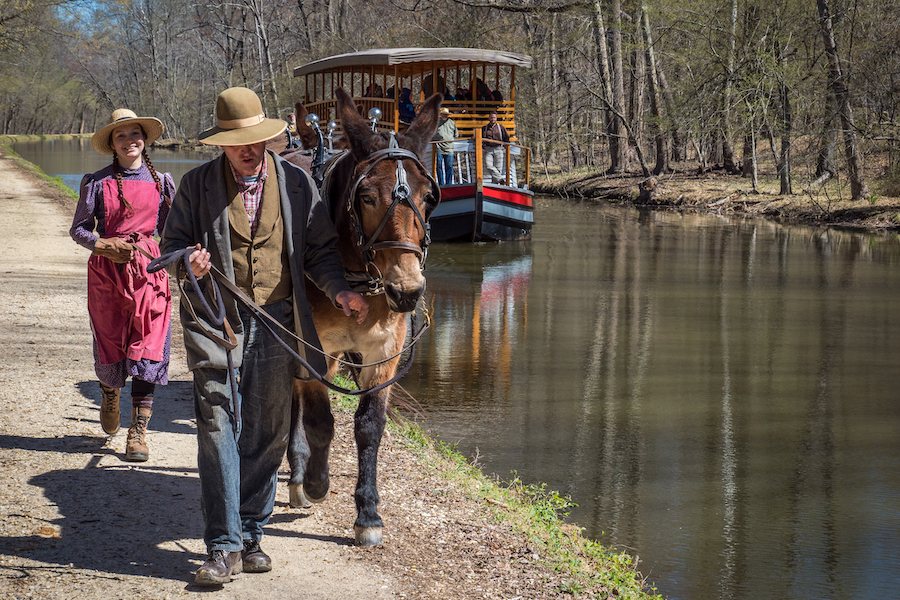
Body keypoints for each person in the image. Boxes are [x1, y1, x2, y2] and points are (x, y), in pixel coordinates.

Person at [160, 87, 369, 586]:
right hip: (216, 321)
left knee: (268, 433)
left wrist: (340, 292)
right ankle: (223, 545)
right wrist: (188, 260)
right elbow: (168, 248)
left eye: (254, 139)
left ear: (267, 137)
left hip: (279, 322)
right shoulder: (194, 186)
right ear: (221, 144)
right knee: (215, 429)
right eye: (236, 141)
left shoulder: (297, 184)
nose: (247, 149)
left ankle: (251, 531)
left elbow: (318, 253)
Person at [70, 108, 175, 462]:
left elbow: (172, 232)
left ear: (143, 140)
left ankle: (138, 432)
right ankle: (110, 392)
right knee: (112, 342)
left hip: (149, 271)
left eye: (135, 134)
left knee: (148, 344)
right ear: (112, 145)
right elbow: (79, 229)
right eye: (121, 136)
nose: (129, 141)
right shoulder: (97, 182)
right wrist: (103, 244)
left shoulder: (162, 183)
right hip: (107, 273)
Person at [482, 111, 510, 185]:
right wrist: (481, 148)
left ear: (496, 118)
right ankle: (500, 179)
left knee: (498, 169)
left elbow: (507, 138)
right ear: (489, 118)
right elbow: (478, 139)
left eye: (494, 117)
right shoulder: (484, 128)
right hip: (488, 149)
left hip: (498, 148)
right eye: (491, 117)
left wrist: (504, 146)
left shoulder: (500, 127)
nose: (492, 119)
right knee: (488, 166)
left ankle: (495, 186)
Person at [432, 107, 458, 185]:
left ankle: (449, 183)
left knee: (449, 166)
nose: (445, 115)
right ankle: (441, 183)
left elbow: (456, 134)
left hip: (449, 148)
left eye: (446, 114)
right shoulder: (436, 123)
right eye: (443, 114)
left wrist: (451, 140)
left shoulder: (452, 123)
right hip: (439, 147)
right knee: (439, 166)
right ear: (441, 114)